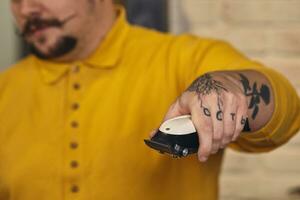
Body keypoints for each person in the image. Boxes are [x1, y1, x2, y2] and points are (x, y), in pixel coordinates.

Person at [0, 0, 299, 199]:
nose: (26, 9)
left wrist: (229, 86)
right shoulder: (6, 88)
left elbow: (284, 108)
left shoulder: (182, 56)